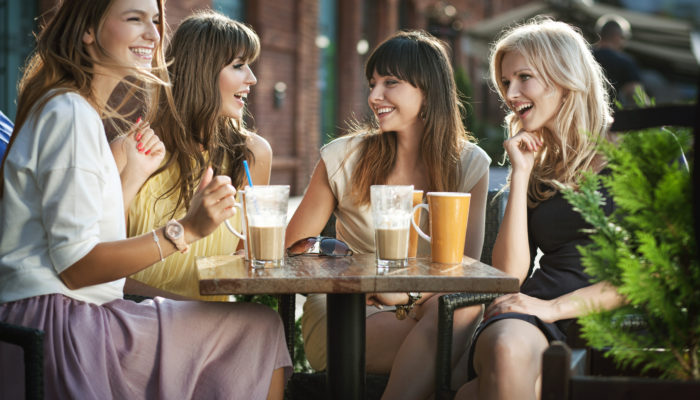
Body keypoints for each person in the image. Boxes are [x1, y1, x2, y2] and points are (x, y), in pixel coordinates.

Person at [0, 1, 291, 399]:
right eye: (134, 19)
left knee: (254, 328)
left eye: (155, 21)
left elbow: (87, 239)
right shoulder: (69, 113)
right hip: (58, 324)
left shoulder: (76, 111)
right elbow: (76, 268)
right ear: (88, 30)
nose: (154, 36)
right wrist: (186, 230)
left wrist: (132, 174)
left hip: (72, 313)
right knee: (259, 329)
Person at [285, 30, 491, 398]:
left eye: (390, 83)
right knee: (467, 360)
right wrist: (361, 273)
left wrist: (406, 294)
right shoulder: (344, 155)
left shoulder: (469, 163)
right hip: (348, 311)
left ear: (427, 90)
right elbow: (293, 246)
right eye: (373, 83)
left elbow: (465, 267)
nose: (374, 96)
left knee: (459, 313)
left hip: (433, 309)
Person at [454, 19, 625, 400]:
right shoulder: (537, 166)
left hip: (604, 316)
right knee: (505, 348)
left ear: (565, 77)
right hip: (532, 314)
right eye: (505, 82)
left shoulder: (637, 148)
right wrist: (521, 173)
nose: (511, 94)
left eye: (523, 77)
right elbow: (509, 277)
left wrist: (554, 308)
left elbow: (649, 271)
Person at [118, 10, 272, 301]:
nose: (252, 78)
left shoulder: (253, 155)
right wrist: (188, 311)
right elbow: (103, 270)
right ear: (201, 73)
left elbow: (248, 262)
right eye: (239, 66)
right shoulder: (128, 151)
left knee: (268, 324)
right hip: (136, 317)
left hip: (213, 323)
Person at [592, 15, 644, 107]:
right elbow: (635, 94)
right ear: (617, 36)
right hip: (613, 116)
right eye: (624, 37)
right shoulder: (625, 61)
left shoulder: (585, 55)